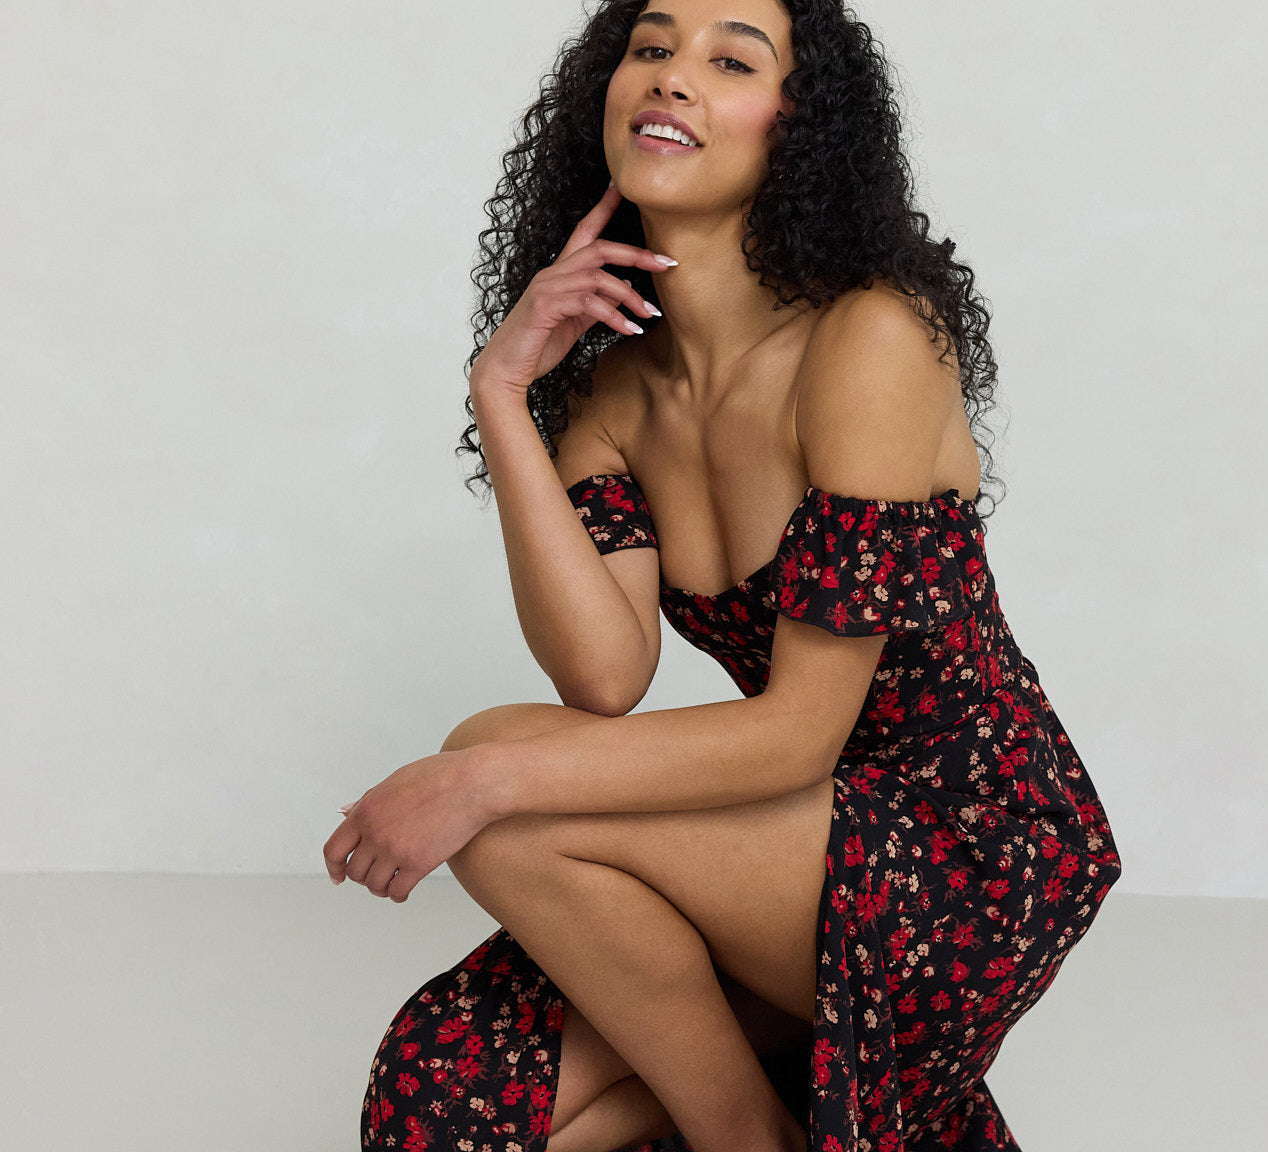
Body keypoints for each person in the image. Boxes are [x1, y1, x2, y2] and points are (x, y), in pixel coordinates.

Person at [324, 1, 1123, 1150]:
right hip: (779, 841)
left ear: (800, 126)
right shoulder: (615, 393)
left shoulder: (872, 336)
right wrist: (499, 393)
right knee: (444, 1110)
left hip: (974, 846)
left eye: (730, 59)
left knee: (498, 785)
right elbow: (603, 679)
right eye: (651, 49)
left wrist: (479, 783)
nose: (672, 77)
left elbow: (800, 731)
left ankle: (742, 1135)